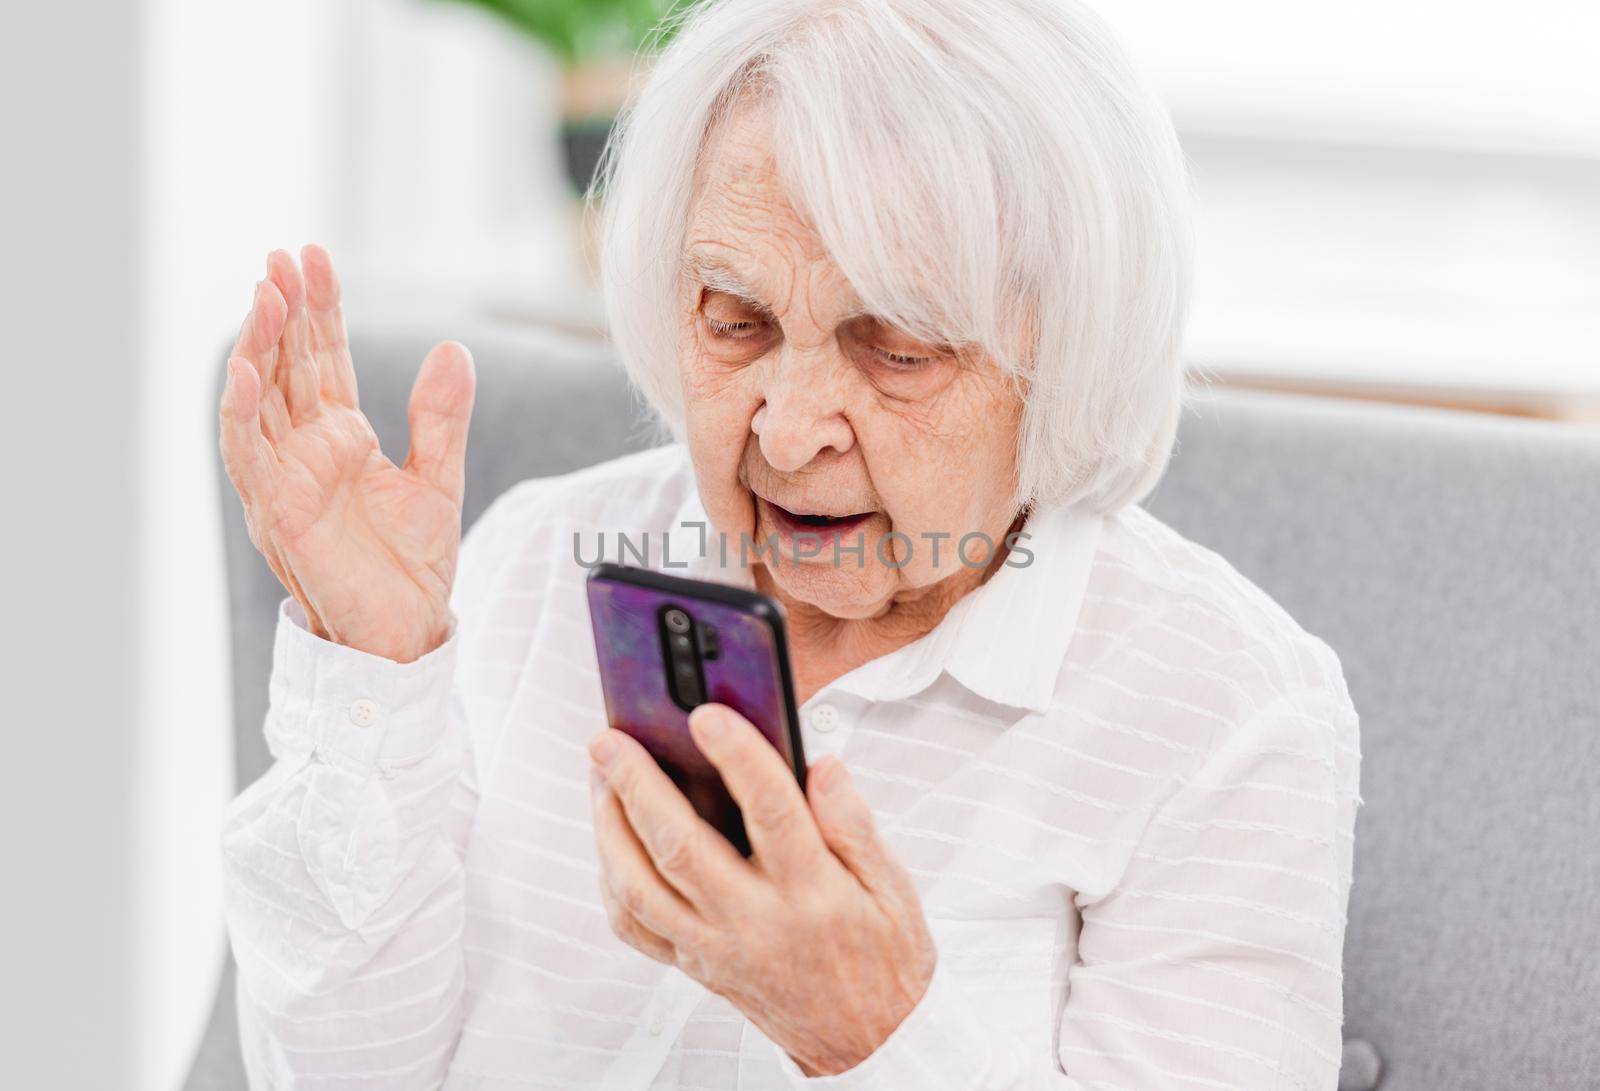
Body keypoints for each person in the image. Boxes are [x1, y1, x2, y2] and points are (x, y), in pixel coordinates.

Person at [215, 0, 1362, 1086]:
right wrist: (374, 663)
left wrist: (871, 1034)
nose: (788, 424)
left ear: (1063, 350)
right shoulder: (528, 564)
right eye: (736, 320)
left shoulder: (1224, 715)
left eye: (897, 347)